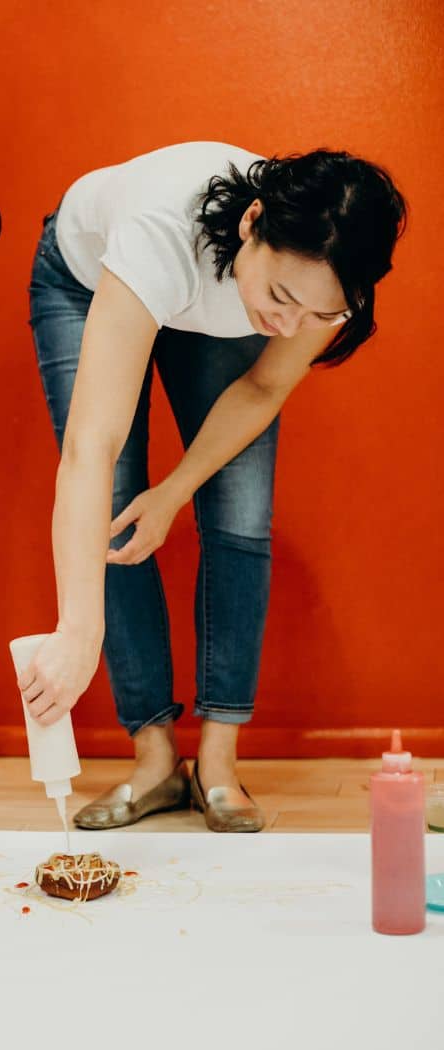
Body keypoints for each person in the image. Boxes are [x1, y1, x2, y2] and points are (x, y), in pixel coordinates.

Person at [26, 142, 405, 831]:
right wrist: (77, 627)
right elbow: (91, 447)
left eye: (318, 316)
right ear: (252, 221)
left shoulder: (325, 287)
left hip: (212, 301)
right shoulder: (158, 235)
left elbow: (264, 383)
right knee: (108, 506)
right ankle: (153, 762)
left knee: (239, 513)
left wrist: (173, 493)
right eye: (283, 298)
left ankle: (218, 764)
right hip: (88, 283)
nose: (289, 327)